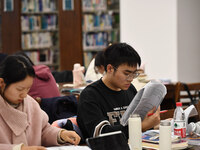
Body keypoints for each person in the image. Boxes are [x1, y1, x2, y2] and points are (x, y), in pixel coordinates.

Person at [77, 43, 160, 140]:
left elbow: (138, 122)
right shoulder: (90, 95)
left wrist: (151, 121)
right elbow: (102, 134)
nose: (131, 79)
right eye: (126, 73)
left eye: (134, 74)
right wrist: (140, 127)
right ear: (110, 69)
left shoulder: (130, 89)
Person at [0, 55, 80, 150]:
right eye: (20, 89)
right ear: (1, 83)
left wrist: (60, 135)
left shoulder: (30, 104)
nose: (24, 95)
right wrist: (19, 149)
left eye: (28, 89)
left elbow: (43, 130)